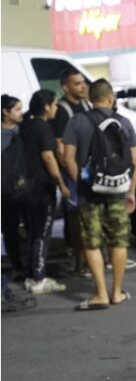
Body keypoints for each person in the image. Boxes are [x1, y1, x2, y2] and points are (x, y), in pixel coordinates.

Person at [63, 79, 136, 310]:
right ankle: (117, 292)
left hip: (90, 193)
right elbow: (134, 161)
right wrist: (131, 192)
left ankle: (100, 294)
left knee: (92, 242)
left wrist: (84, 181)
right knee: (118, 241)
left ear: (89, 98)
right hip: (118, 190)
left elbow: (67, 157)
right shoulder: (124, 122)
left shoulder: (77, 121)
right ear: (110, 98)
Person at [19, 90, 70, 295]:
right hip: (41, 187)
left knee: (33, 231)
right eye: (55, 104)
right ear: (47, 106)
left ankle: (32, 275)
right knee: (42, 232)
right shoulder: (43, 128)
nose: (57, 108)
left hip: (25, 187)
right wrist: (61, 183)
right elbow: (48, 157)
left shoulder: (26, 126)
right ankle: (39, 277)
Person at [53, 68, 91, 276]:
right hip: (73, 170)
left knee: (88, 214)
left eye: (83, 82)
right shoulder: (61, 110)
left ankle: (89, 256)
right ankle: (78, 257)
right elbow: (59, 146)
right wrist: (71, 172)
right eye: (77, 83)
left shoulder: (85, 105)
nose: (83, 86)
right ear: (65, 86)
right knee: (75, 216)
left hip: (88, 168)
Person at [1, 94, 26, 279]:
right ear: (5, 112)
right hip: (5, 189)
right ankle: (16, 263)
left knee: (30, 225)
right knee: (10, 228)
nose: (21, 113)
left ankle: (30, 264)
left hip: (25, 187)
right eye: (17, 109)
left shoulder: (24, 130)